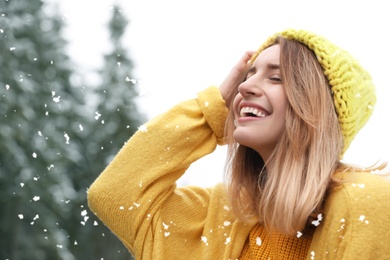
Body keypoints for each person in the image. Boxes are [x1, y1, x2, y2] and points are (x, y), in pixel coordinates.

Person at [87, 29, 390, 259]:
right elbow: (117, 195)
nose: (244, 86)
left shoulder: (368, 203)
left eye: (276, 78)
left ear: (316, 108)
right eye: (248, 75)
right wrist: (213, 108)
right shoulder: (219, 217)